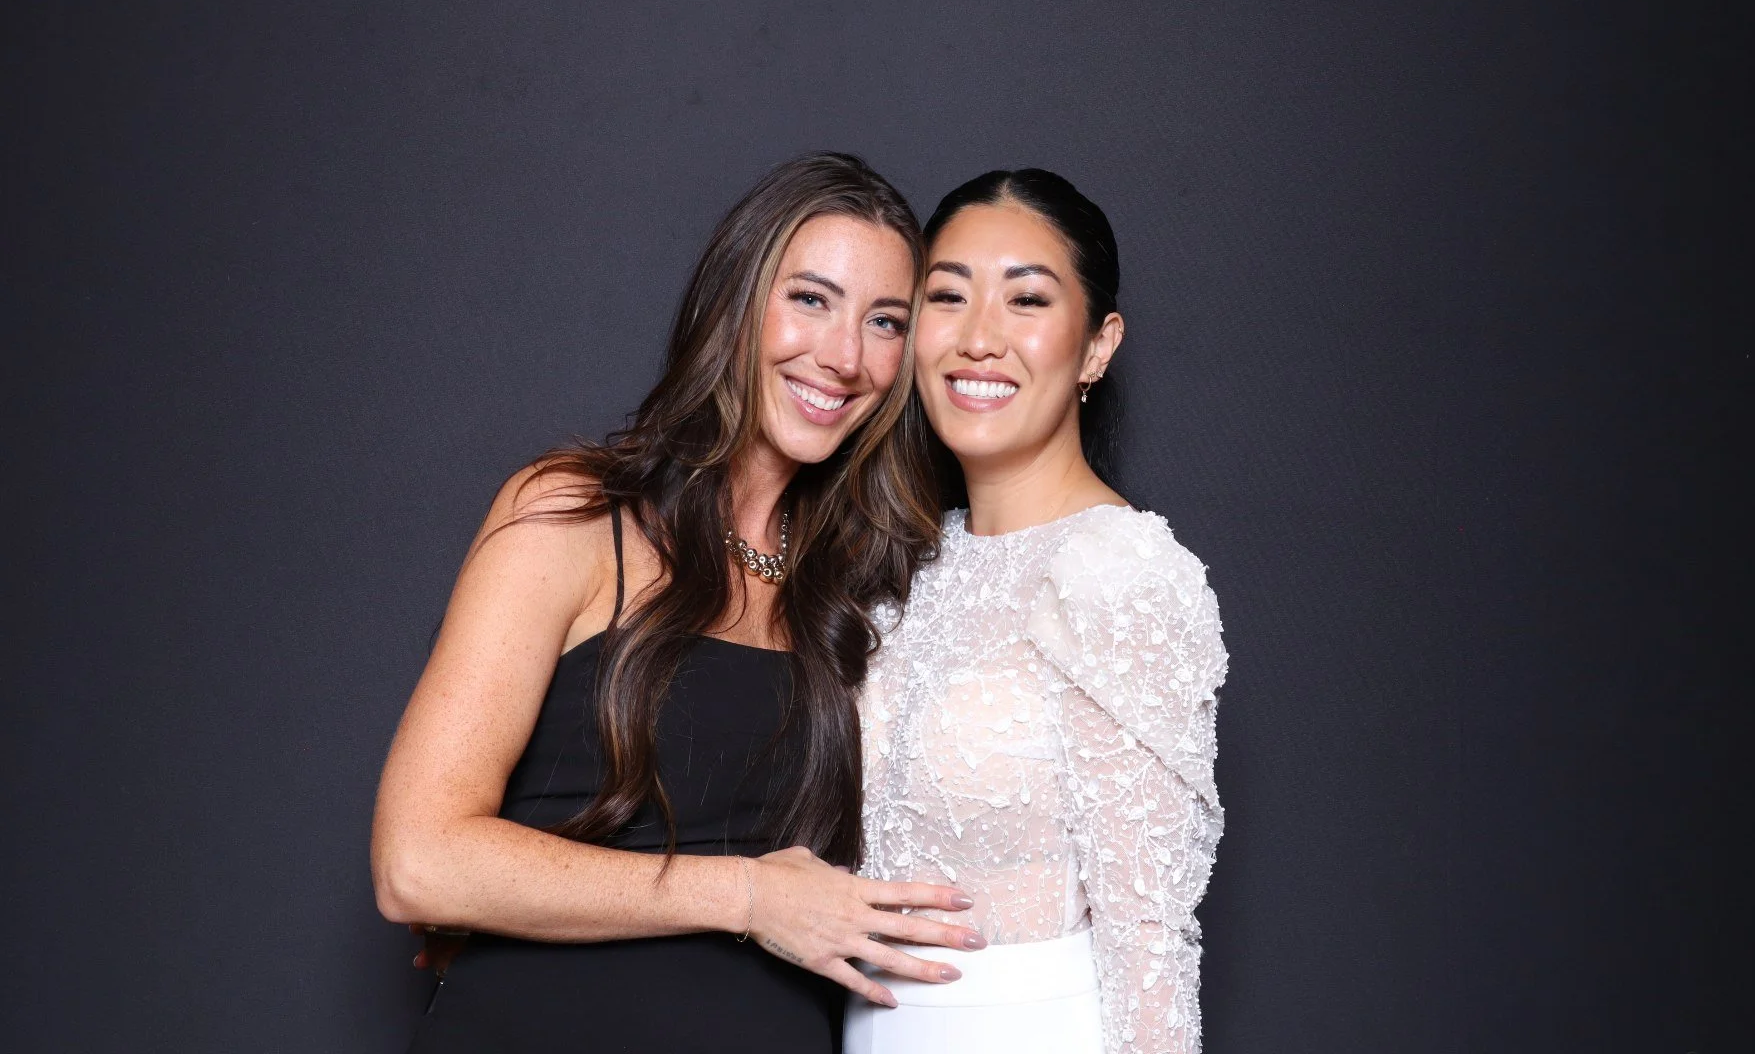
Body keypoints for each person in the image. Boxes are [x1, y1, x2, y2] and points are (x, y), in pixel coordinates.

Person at [372, 153, 984, 1054]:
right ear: (736, 300)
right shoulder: (575, 513)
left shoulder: (868, 588)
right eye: (810, 299)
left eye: (884, 321)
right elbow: (417, 863)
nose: (845, 356)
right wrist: (747, 895)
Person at [849, 170, 1229, 1054]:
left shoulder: (1118, 572)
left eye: (1026, 299)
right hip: (873, 1028)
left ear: (1096, 347)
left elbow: (1148, 934)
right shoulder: (907, 567)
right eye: (947, 296)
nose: (979, 338)